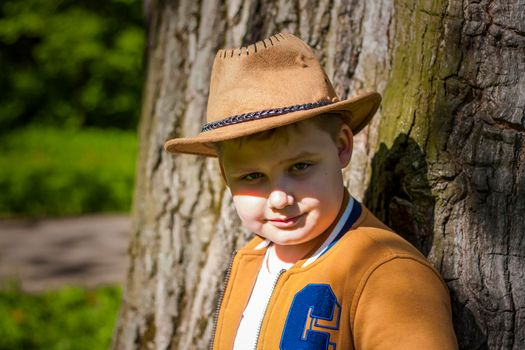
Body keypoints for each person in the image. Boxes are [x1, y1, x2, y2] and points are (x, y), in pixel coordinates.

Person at [164, 32, 458, 349]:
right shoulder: (251, 259)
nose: (279, 199)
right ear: (225, 176)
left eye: (300, 167)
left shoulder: (389, 274)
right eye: (252, 176)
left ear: (342, 147)